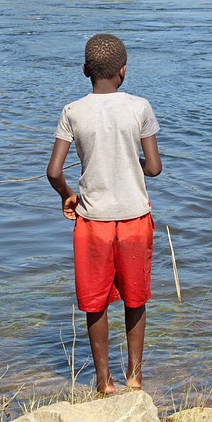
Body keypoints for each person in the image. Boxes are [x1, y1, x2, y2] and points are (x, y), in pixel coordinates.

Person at [47, 34, 162, 394]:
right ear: (123, 72)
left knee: (95, 301)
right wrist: (131, 163)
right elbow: (155, 168)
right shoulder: (139, 107)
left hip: (92, 221)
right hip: (134, 219)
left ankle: (103, 381)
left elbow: (53, 171)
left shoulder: (72, 111)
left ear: (85, 71)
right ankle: (135, 376)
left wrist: (68, 195)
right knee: (136, 297)